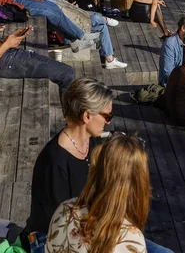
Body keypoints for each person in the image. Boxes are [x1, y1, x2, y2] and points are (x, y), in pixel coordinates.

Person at [22, 78, 172, 253]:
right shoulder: (54, 162)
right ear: (86, 116)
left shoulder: (91, 144)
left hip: (89, 223)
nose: (108, 121)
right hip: (51, 237)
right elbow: (62, 222)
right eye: (107, 115)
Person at [0, 0, 74, 99]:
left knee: (68, 72)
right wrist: (6, 45)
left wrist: (7, 40)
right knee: (66, 73)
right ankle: (71, 117)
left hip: (9, 55)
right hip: (6, 62)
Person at [45, 0, 126, 69]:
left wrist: (71, 7)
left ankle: (110, 59)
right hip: (72, 29)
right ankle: (109, 58)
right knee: (98, 20)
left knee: (101, 25)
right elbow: (63, 19)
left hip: (73, 22)